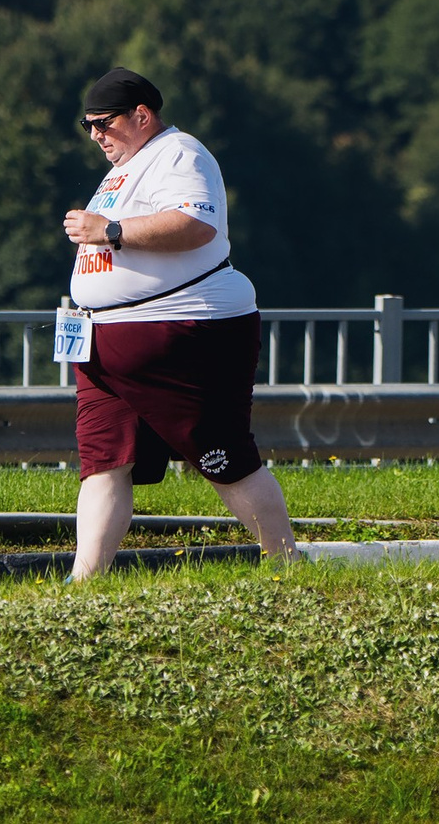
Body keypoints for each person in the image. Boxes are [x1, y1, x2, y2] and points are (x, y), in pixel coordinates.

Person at [58, 66, 298, 579]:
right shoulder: (126, 167)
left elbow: (195, 225)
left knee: (222, 458)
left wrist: (110, 230)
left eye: (104, 123)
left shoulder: (179, 153)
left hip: (185, 330)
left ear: (142, 115)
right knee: (104, 461)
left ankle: (287, 565)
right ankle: (84, 583)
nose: (95, 134)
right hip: (104, 342)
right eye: (88, 125)